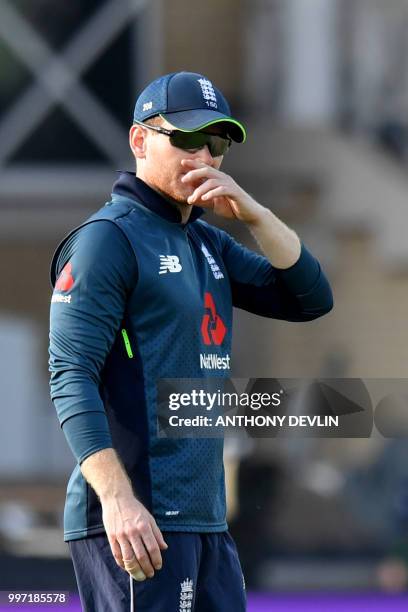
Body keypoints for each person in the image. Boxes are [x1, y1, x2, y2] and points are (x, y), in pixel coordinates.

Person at [49, 71, 333, 611]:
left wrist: (257, 214)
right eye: (185, 138)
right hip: (140, 523)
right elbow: (70, 374)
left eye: (217, 142)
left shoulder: (207, 242)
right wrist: (117, 501)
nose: (203, 155)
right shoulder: (107, 241)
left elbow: (310, 298)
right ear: (140, 140)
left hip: (206, 522)